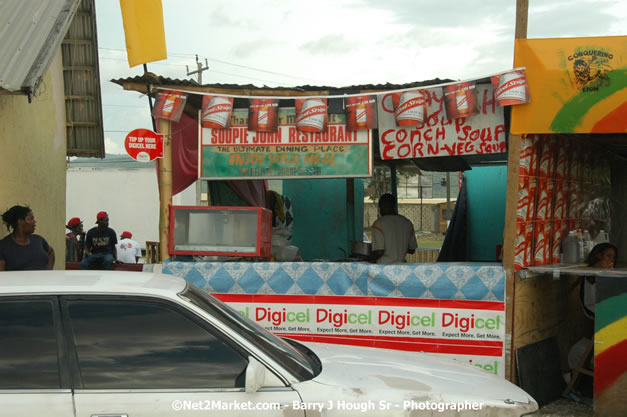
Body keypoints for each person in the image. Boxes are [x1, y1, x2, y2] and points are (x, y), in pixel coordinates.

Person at [0, 205, 55, 271]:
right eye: (31, 219)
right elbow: (2, 276)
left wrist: (49, 270)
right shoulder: (3, 246)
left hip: (45, 281)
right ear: (19, 221)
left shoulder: (39, 240)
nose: (34, 222)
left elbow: (51, 252)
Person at [371, 193, 417, 264]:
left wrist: (367, 258)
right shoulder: (407, 223)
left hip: (383, 268)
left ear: (381, 206)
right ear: (394, 206)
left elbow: (379, 251)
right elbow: (412, 250)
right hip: (401, 267)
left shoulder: (378, 224)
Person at [581, 242, 617, 317]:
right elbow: (590, 305)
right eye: (608, 256)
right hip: (595, 311)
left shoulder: (607, 273)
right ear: (599, 256)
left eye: (613, 257)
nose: (611, 260)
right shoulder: (590, 273)